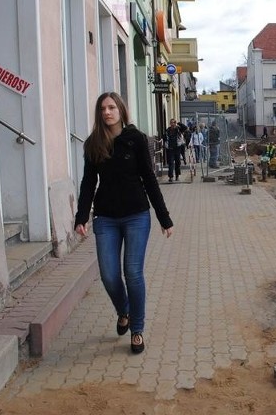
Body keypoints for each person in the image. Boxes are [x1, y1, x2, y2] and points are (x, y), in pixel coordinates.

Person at [74, 92, 173, 355]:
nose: (107, 112)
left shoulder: (136, 139)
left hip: (136, 216)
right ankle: (123, 311)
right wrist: (81, 217)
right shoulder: (93, 144)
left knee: (133, 273)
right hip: (105, 218)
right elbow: (87, 183)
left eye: (111, 107)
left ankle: (137, 330)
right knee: (108, 275)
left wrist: (164, 218)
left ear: (120, 110)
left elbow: (149, 179)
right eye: (103, 108)